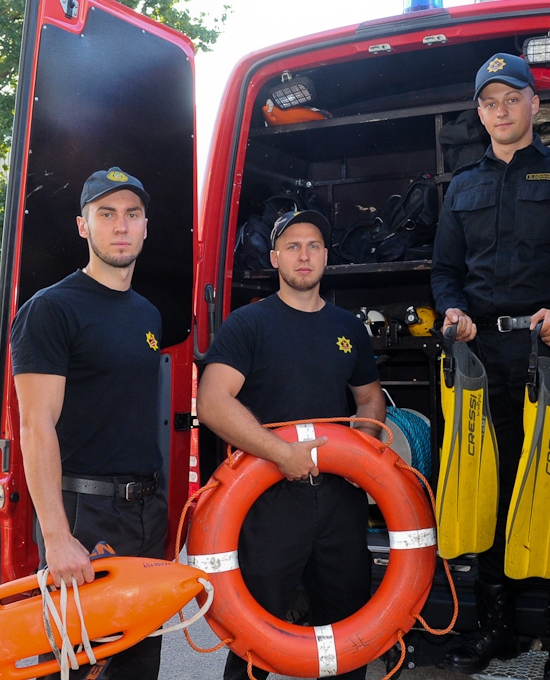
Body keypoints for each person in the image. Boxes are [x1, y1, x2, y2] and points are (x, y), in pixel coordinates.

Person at [431, 54, 550, 680]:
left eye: (511, 98)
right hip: (483, 361)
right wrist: (454, 311)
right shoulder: (460, 185)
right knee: (488, 485)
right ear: (481, 112)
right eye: (489, 102)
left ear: (534, 104)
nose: (500, 110)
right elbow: (445, 272)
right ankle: (498, 629)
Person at [197, 209, 386, 680]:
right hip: (269, 498)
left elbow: (370, 399)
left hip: (340, 500)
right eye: (294, 246)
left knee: (346, 630)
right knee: (255, 635)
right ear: (276, 256)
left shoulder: (347, 327)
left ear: (326, 256)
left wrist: (357, 456)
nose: (305, 255)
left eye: (314, 245)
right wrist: (282, 455)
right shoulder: (249, 324)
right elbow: (214, 402)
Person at [11, 167, 167, 679]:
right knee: (78, 666)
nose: (120, 226)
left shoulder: (147, 314)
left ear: (146, 226)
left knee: (138, 664)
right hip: (85, 515)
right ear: (83, 226)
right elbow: (35, 426)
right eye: (106, 214)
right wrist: (56, 537)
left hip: (146, 513)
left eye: (131, 214)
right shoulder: (50, 310)